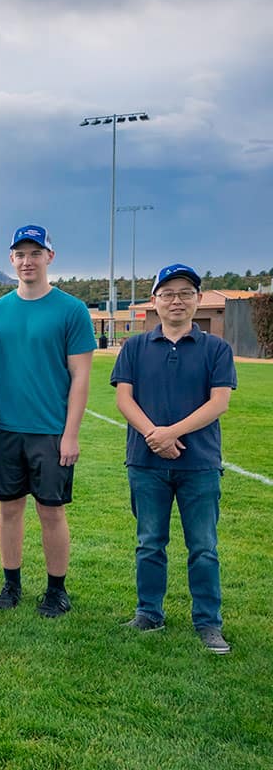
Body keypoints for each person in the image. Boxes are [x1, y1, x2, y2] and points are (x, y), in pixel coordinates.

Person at [111, 263, 237, 654]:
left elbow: (219, 402)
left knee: (203, 547)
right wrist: (154, 435)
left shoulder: (216, 349)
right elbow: (123, 398)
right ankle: (148, 612)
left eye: (185, 293)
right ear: (154, 302)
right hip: (146, 463)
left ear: (198, 299)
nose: (176, 300)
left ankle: (208, 622)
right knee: (149, 542)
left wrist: (171, 433)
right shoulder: (134, 347)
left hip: (198, 464)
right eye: (167, 294)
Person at [0, 225, 96, 616]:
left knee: (51, 511)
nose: (27, 261)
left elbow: (81, 377)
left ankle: (55, 590)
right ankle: (11, 584)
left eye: (35, 253)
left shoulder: (72, 310)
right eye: (20, 254)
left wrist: (71, 434)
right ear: (11, 260)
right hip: (4, 430)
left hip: (50, 432)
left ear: (50, 256)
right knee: (9, 509)